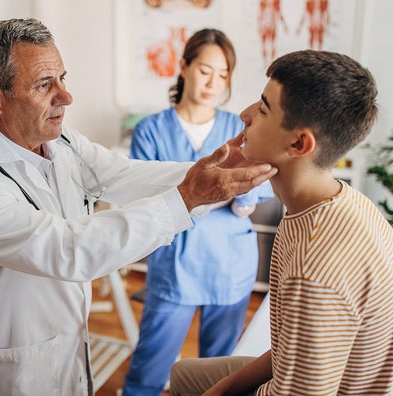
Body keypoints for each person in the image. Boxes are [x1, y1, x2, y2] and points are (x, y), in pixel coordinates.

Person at [0, 18, 276, 396]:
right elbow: (71, 250)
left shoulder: (62, 142)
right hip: (9, 371)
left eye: (62, 78)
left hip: (66, 348)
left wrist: (215, 170)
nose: (66, 96)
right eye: (45, 85)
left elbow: (124, 175)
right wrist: (189, 196)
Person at [168, 50, 393, 395]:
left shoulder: (314, 268)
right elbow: (291, 350)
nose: (244, 114)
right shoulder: (339, 202)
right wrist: (221, 389)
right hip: (302, 374)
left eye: (264, 108)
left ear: (298, 143)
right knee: (185, 376)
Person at [123, 28, 274, 396]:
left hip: (230, 267)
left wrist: (243, 197)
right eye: (206, 70)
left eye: (223, 75)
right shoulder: (151, 130)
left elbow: (257, 189)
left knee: (217, 376)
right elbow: (142, 196)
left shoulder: (239, 128)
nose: (214, 83)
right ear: (185, 66)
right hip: (174, 269)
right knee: (148, 370)